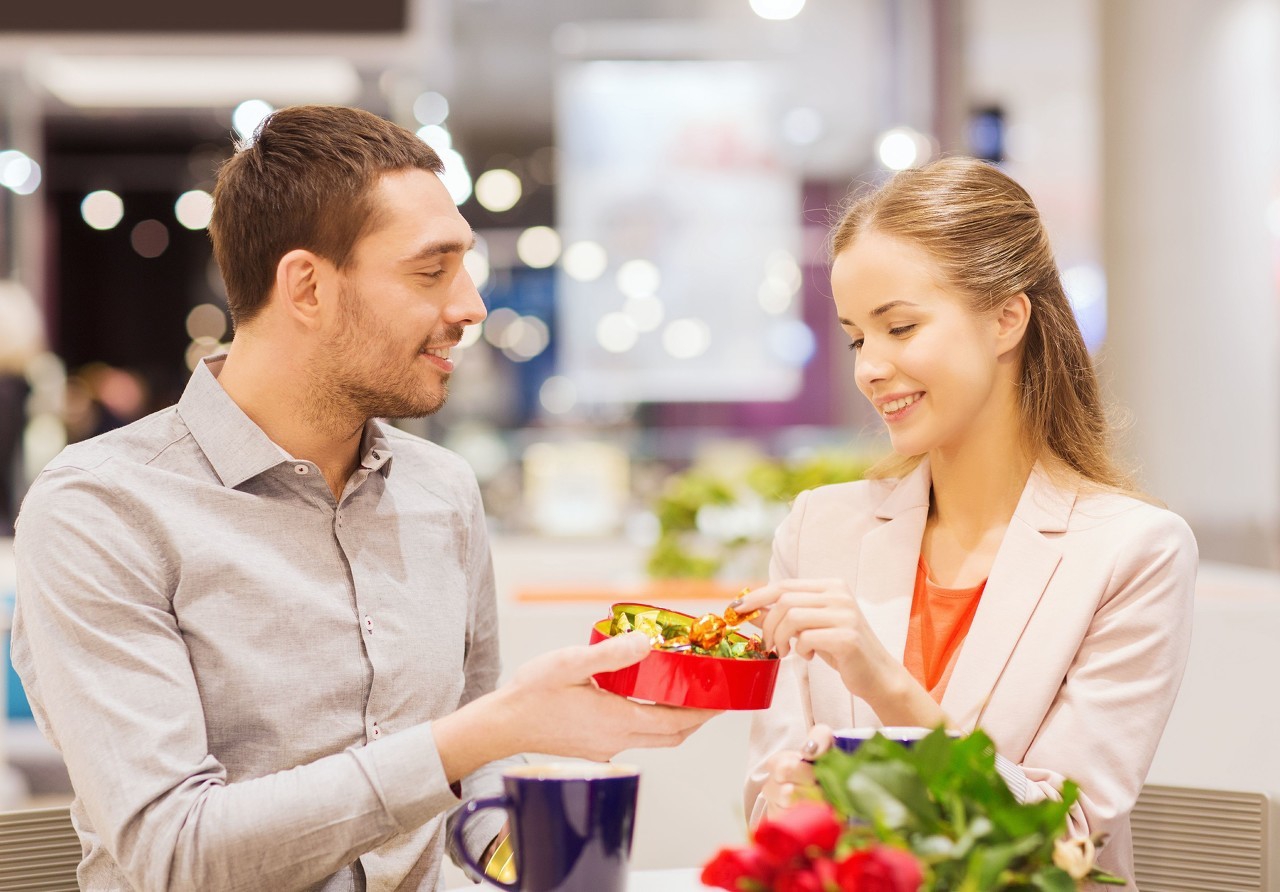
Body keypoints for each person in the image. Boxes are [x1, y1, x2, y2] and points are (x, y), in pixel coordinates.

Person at [10, 105, 714, 892]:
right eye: (431, 270)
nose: (472, 307)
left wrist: (529, 852)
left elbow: (475, 775)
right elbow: (177, 854)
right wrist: (480, 734)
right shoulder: (103, 508)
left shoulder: (441, 491)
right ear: (306, 286)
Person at [734, 156, 1196, 886]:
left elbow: (1060, 837)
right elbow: (771, 807)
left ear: (1007, 317)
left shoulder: (1132, 551)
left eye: (901, 327)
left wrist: (886, 686)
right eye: (858, 337)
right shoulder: (817, 530)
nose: (870, 368)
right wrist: (790, 801)